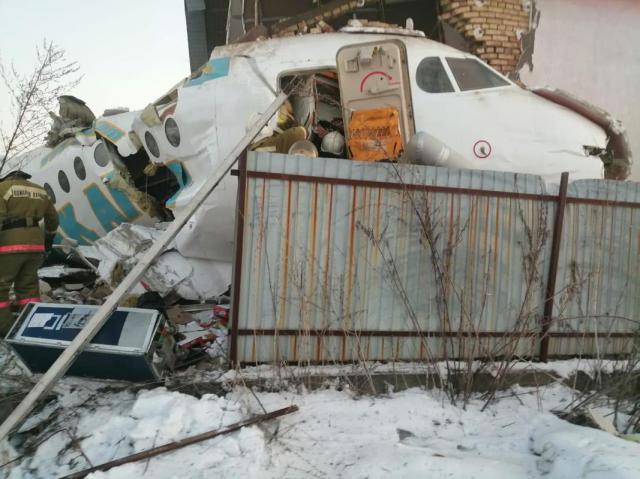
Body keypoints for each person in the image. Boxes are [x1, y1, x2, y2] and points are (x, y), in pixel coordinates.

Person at [0, 170, 59, 336]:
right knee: (28, 289)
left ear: (7, 177)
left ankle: (6, 330)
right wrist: (48, 240)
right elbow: (53, 220)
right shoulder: (40, 190)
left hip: (9, 246)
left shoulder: (2, 188)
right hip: (35, 245)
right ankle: (32, 327)